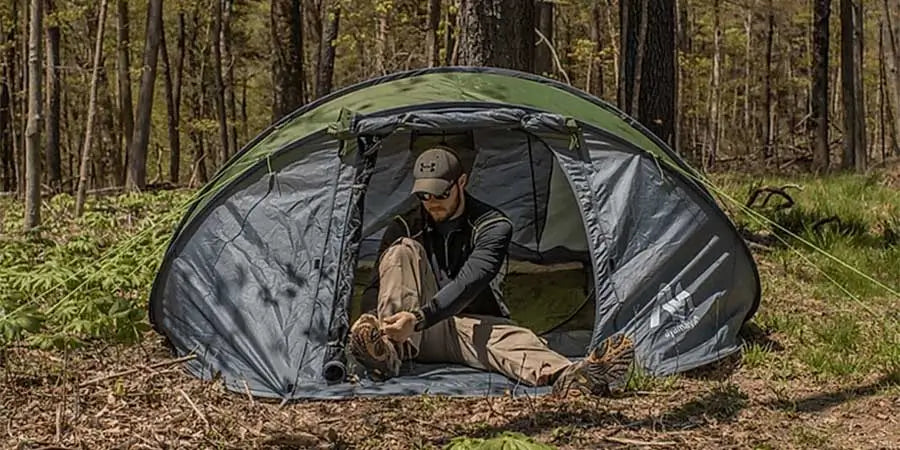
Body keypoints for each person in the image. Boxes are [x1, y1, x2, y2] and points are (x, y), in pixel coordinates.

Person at [349, 146, 634, 397]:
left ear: (461, 182)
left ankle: (573, 377)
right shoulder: (404, 225)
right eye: (423, 194)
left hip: (463, 326)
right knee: (402, 250)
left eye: (440, 192)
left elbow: (470, 282)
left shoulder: (493, 226)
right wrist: (374, 322)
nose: (431, 201)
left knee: (513, 340)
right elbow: (377, 285)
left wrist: (419, 318)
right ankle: (385, 353)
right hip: (404, 333)